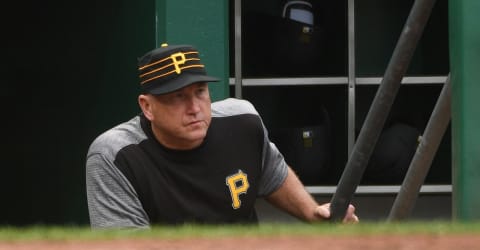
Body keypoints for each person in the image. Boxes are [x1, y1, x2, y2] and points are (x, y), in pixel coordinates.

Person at [85, 43, 358, 228]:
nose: (194, 108)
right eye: (178, 97)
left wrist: (313, 213)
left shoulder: (242, 120)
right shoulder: (116, 155)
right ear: (147, 107)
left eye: (200, 92)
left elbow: (273, 173)